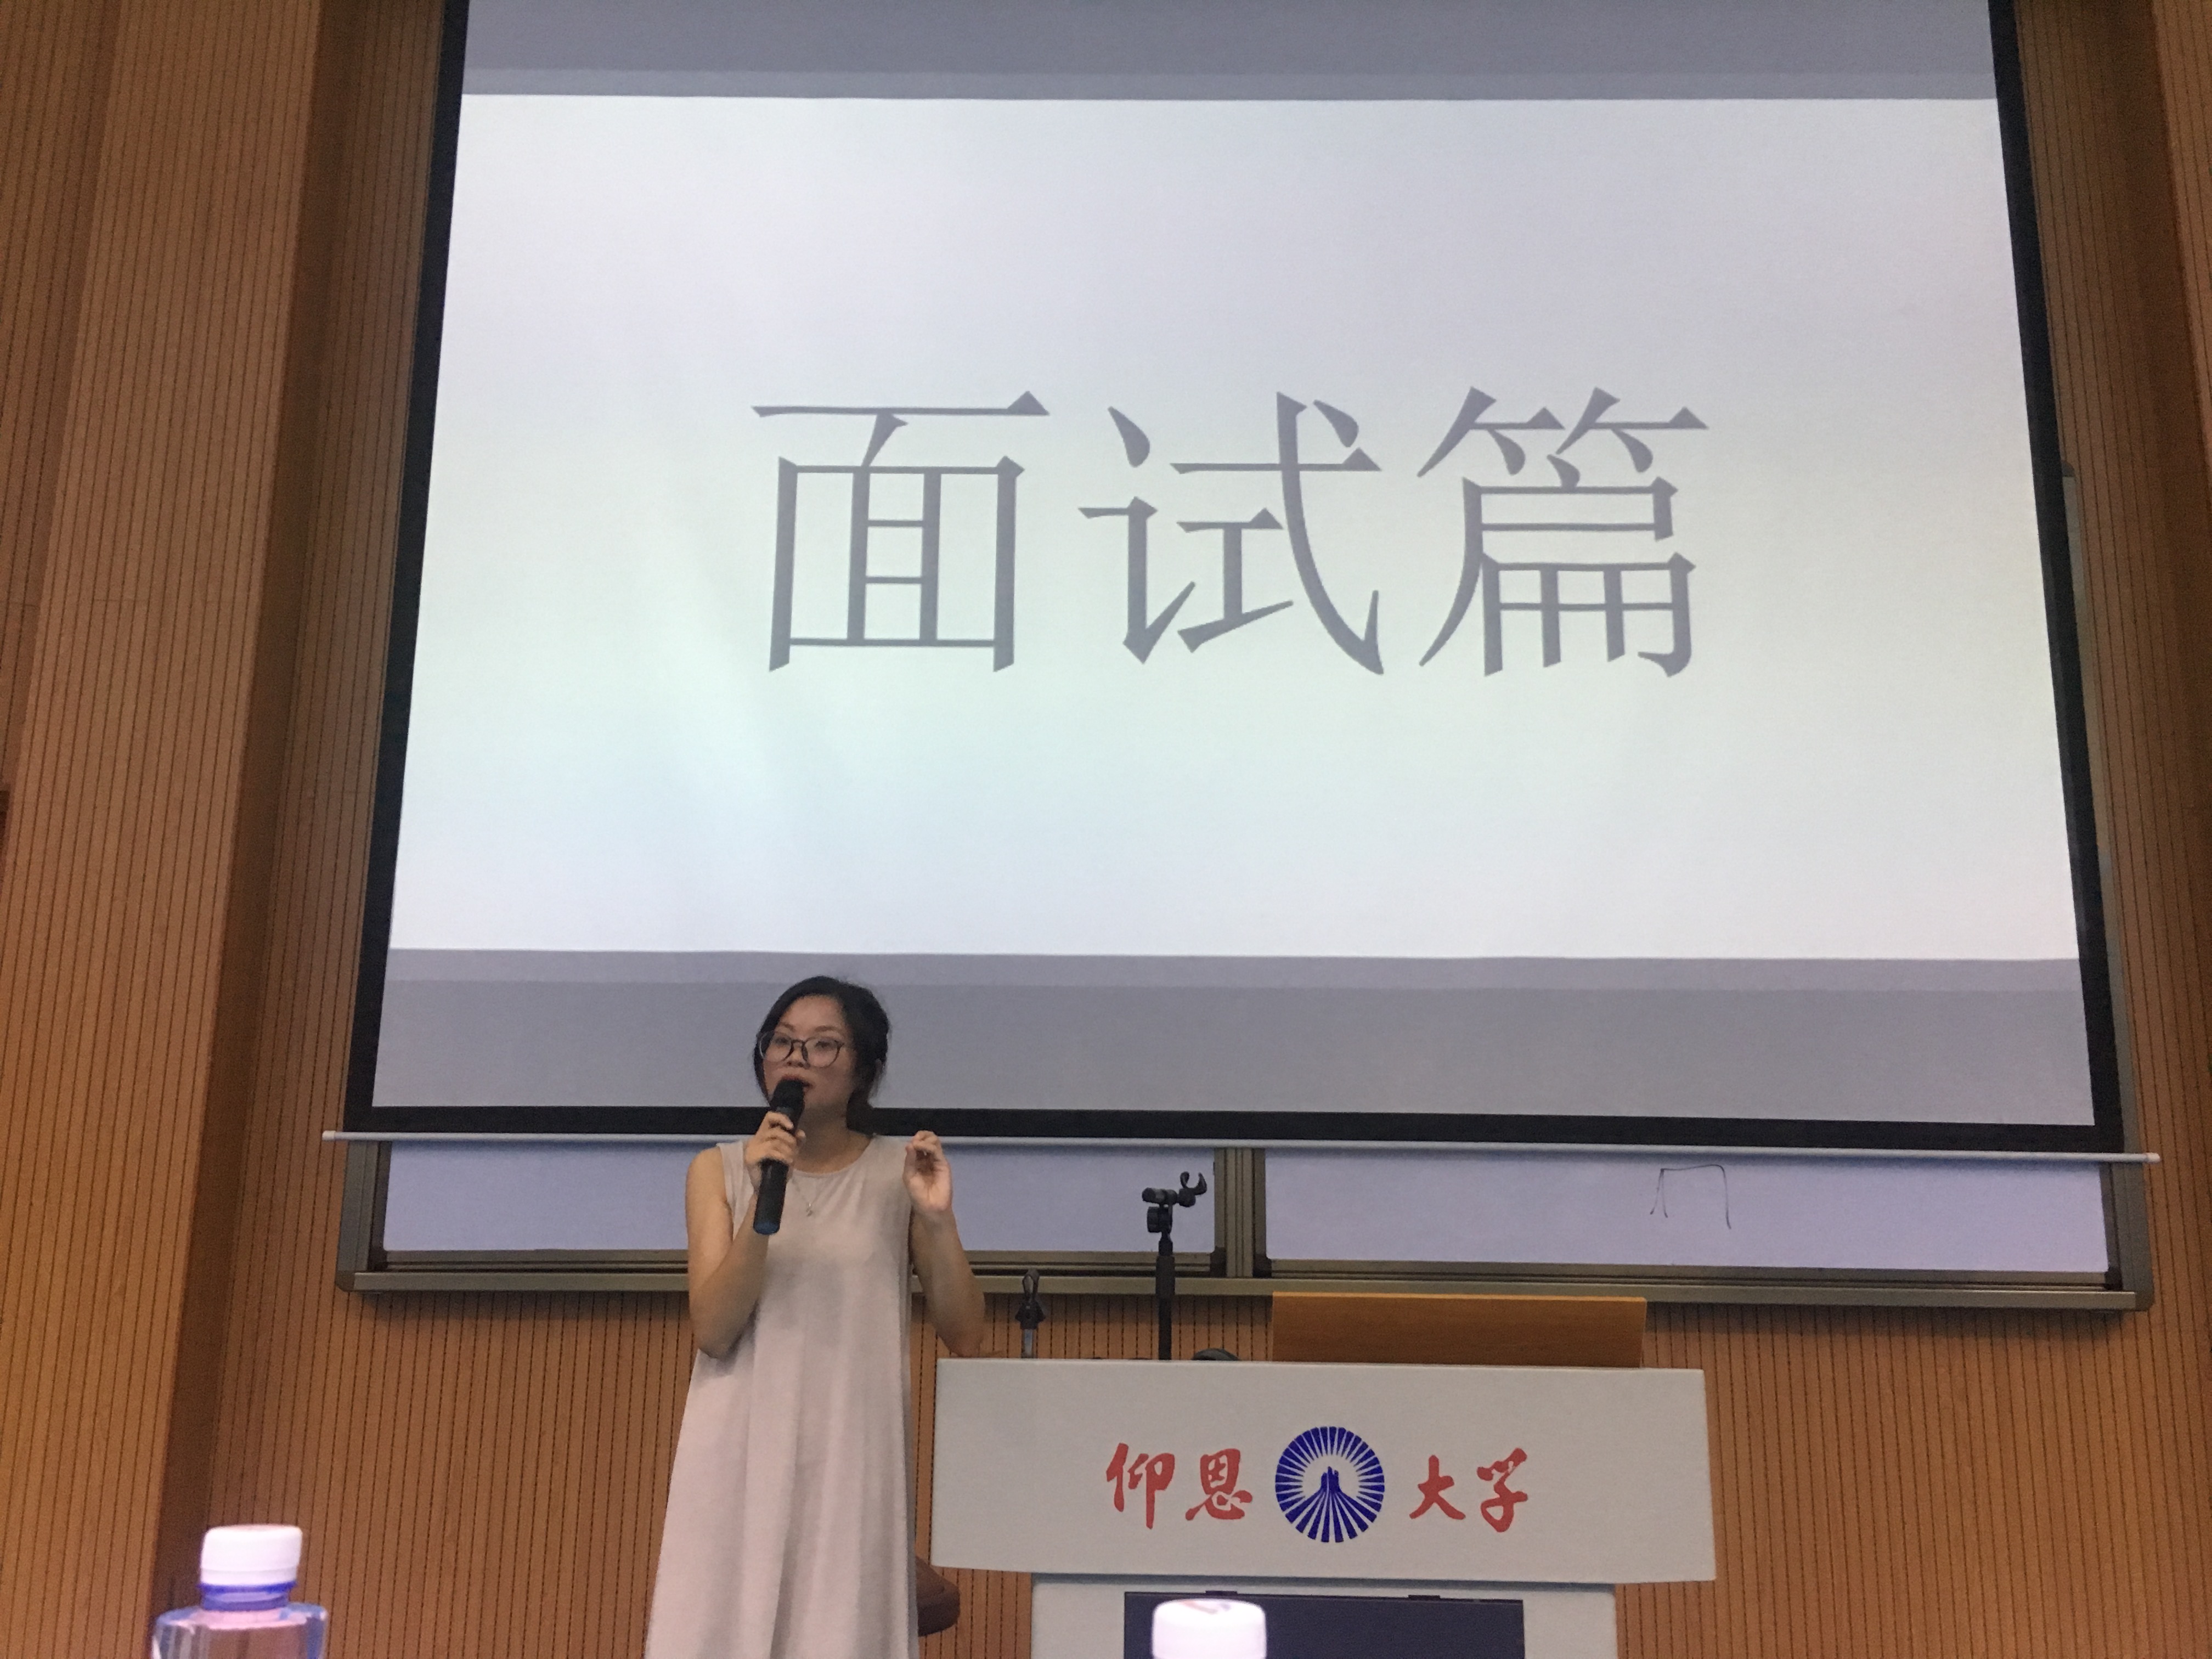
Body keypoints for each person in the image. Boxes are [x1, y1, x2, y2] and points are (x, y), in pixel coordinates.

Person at [644, 976, 986, 1659]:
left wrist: (936, 1219)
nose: (797, 1058)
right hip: (739, 1447)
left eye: (823, 1045)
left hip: (851, 1452)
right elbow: (714, 1328)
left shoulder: (898, 1173)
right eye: (783, 1041)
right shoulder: (718, 1170)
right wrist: (761, 1198)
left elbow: (966, 1333)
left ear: (864, 1069)